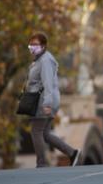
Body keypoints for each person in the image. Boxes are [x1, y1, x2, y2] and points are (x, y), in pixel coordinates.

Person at [26, 32, 80, 168]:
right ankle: (72, 153)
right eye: (31, 44)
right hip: (43, 100)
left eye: (36, 44)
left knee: (36, 131)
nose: (32, 47)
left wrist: (47, 104)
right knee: (45, 133)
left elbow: (48, 83)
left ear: (43, 46)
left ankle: (41, 163)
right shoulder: (40, 60)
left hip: (44, 101)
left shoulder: (45, 60)